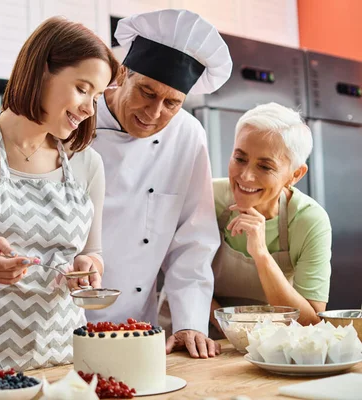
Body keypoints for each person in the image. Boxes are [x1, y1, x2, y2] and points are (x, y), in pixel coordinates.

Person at [0, 17, 119, 376]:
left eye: (97, 97)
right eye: (83, 89)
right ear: (41, 71)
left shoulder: (86, 163)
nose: (90, 109)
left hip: (64, 366)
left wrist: (89, 269)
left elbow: (91, 254)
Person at [86, 9, 232, 359]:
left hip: (135, 328)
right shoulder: (76, 116)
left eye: (172, 103)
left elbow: (193, 240)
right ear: (123, 74)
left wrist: (190, 322)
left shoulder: (188, 135)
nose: (154, 113)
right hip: (60, 318)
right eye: (147, 92)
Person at [210, 102, 332, 335]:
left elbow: (311, 321)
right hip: (196, 334)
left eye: (265, 167)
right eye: (240, 158)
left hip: (265, 340)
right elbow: (184, 276)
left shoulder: (309, 220)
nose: (245, 176)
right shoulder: (208, 197)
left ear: (295, 175)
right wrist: (230, 331)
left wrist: (261, 254)